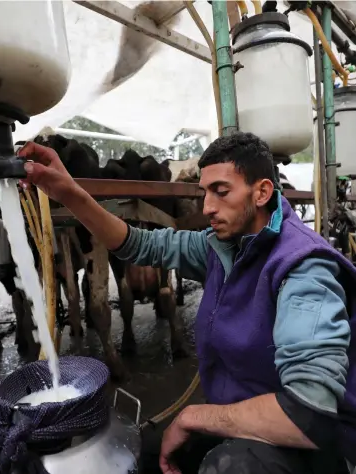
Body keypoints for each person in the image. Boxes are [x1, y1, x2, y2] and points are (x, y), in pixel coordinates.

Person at [19, 132, 356, 474]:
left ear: (262, 192)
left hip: (319, 445)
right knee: (138, 452)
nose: (207, 207)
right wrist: (68, 192)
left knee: (227, 467)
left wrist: (195, 416)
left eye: (221, 192)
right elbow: (136, 244)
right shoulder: (224, 248)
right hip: (246, 421)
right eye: (205, 193)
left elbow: (308, 415)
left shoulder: (303, 270)